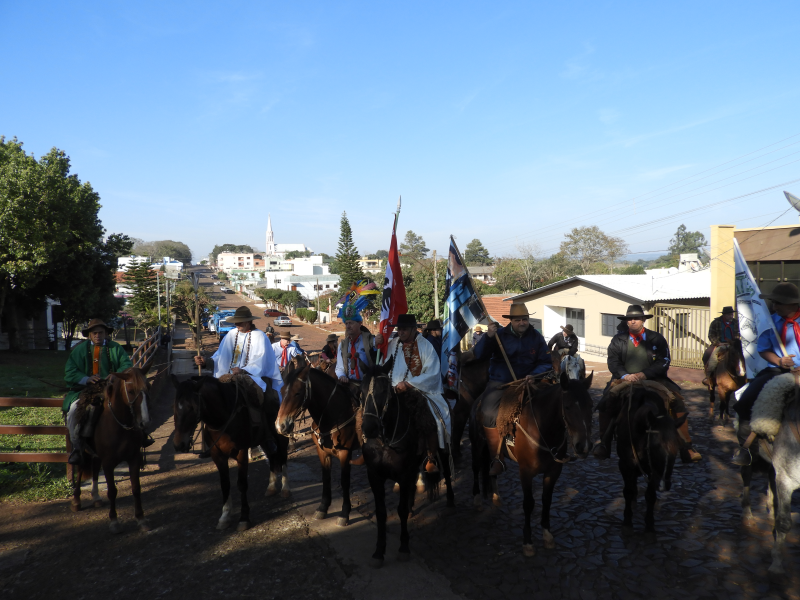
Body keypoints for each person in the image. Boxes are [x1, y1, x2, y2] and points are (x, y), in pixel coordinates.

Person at [592, 304, 702, 462]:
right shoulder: (618, 340)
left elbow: (664, 361)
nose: (633, 321)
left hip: (654, 379)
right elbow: (613, 361)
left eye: (636, 318)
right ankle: (604, 443)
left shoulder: (656, 338)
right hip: (624, 379)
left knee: (677, 401)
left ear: (643, 319)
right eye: (630, 319)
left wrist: (645, 374)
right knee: (605, 402)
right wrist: (625, 375)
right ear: (627, 321)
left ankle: (687, 446)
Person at [473, 304, 552, 476]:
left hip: (529, 381)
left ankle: (556, 448)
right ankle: (497, 458)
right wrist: (488, 337)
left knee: (556, 404)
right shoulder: (499, 335)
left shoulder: (537, 337)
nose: (522, 322)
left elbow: (546, 362)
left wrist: (535, 375)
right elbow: (479, 355)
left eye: (525, 319)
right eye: (518, 320)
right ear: (511, 321)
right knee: (487, 411)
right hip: (501, 382)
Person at [193, 306, 281, 453]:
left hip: (253, 375)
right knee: (210, 397)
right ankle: (213, 436)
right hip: (227, 376)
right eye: (236, 322)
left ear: (248, 322)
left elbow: (261, 359)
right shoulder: (231, 334)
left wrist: (244, 370)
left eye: (240, 322)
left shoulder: (260, 336)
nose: (237, 325)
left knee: (264, 398)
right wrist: (206, 362)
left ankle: (267, 436)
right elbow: (220, 356)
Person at [731, 283, 800, 465]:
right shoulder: (770, 322)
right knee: (745, 401)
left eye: (778, 303)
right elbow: (763, 349)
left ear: (792, 304)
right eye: (773, 303)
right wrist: (779, 361)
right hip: (778, 370)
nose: (774, 306)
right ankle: (747, 450)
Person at [374, 314, 452, 473]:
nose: (400, 332)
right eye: (399, 329)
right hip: (393, 391)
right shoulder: (392, 344)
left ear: (413, 329)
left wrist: (409, 384)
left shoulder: (426, 346)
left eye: (404, 329)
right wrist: (375, 344)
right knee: (373, 413)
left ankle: (430, 457)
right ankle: (372, 448)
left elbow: (432, 373)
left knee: (430, 418)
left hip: (420, 391)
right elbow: (380, 365)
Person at [64, 318, 138, 465]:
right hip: (85, 391)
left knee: (134, 404)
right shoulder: (79, 350)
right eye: (95, 333)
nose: (98, 335)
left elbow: (127, 365)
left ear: (106, 334)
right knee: (73, 411)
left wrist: (115, 375)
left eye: (101, 333)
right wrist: (86, 379)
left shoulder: (116, 348)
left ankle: (140, 439)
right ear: (89, 335)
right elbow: (70, 371)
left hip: (112, 389)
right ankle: (77, 447)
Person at [702, 306, 740, 378]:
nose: (731, 316)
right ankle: (709, 376)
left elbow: (739, 333)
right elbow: (711, 335)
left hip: (733, 344)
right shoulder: (716, 322)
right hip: (720, 344)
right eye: (729, 314)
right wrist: (718, 343)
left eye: (732, 314)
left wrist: (736, 342)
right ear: (724, 315)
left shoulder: (736, 323)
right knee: (708, 356)